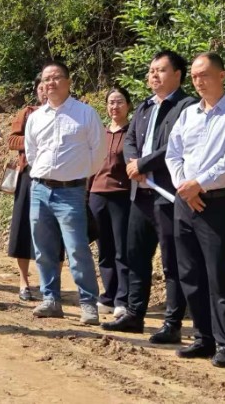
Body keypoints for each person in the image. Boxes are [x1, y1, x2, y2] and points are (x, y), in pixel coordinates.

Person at [166, 52, 225, 368]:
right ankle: (202, 338)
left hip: (216, 202)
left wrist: (199, 184)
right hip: (184, 202)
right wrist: (184, 187)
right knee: (189, 273)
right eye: (194, 76)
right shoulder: (188, 114)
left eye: (204, 74)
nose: (198, 81)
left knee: (219, 274)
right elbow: (173, 153)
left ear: (221, 75)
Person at [103, 50, 195, 341]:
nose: (154, 75)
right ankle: (134, 314)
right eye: (152, 70)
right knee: (136, 257)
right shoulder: (144, 106)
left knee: (172, 262)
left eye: (161, 70)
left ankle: (172, 324)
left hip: (167, 195)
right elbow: (130, 139)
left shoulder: (187, 106)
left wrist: (143, 165)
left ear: (177, 75)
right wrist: (133, 163)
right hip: (140, 195)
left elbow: (176, 145)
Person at [25, 61, 106, 326]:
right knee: (43, 249)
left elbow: (98, 153)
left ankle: (88, 303)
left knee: (77, 249)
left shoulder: (85, 113)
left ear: (68, 82)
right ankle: (51, 299)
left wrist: (77, 175)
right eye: (46, 78)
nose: (51, 82)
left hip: (71, 191)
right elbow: (31, 153)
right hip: (39, 190)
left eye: (56, 77)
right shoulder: (36, 117)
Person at [5, 74, 53, 301]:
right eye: (41, 88)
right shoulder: (27, 113)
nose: (45, 92)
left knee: (53, 231)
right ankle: (24, 282)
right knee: (23, 228)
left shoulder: (65, 114)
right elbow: (12, 140)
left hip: (56, 177)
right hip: (28, 175)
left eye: (48, 87)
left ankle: (50, 283)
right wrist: (35, 138)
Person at [88, 87, 133, 319]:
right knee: (104, 249)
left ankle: (122, 299)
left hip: (121, 196)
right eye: (111, 102)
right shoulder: (100, 133)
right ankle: (108, 295)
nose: (115, 107)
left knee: (122, 249)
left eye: (119, 102)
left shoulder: (132, 133)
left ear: (128, 105)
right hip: (97, 195)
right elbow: (90, 165)